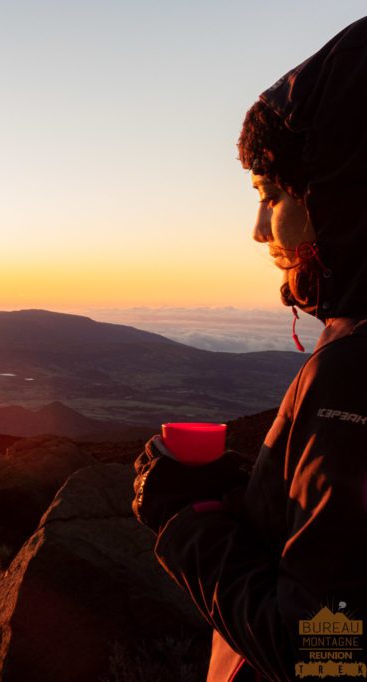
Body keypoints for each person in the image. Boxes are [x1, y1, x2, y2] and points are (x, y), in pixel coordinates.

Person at [131, 17, 367, 682]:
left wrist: (183, 521)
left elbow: (333, 652)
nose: (258, 228)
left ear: (339, 194)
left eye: (271, 195)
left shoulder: (353, 373)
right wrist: (245, 499)